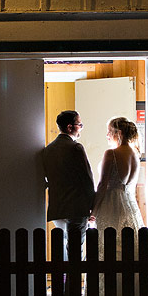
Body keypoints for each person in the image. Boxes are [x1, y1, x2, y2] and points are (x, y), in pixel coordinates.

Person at [40, 110, 94, 263]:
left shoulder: (48, 150)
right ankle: (73, 285)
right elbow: (87, 179)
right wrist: (92, 205)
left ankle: (66, 283)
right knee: (76, 250)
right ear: (70, 127)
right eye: (79, 124)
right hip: (76, 207)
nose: (81, 128)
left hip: (58, 207)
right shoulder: (75, 148)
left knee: (65, 248)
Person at [91, 116, 144, 248]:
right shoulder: (135, 155)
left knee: (110, 244)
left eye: (109, 131)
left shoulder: (111, 154)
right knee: (129, 244)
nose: (107, 135)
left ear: (118, 133)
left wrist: (93, 211)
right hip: (129, 204)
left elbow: (103, 184)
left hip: (111, 204)